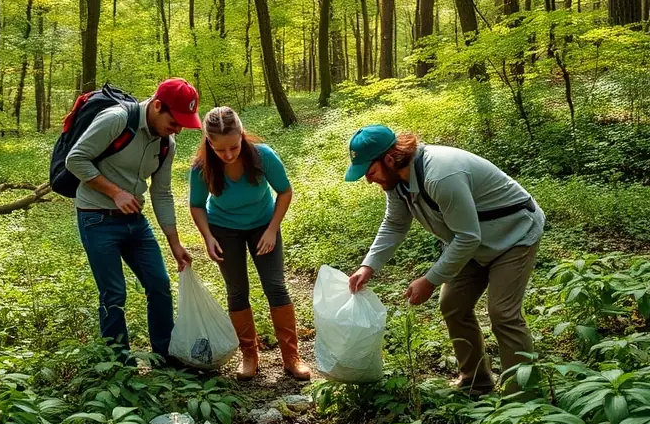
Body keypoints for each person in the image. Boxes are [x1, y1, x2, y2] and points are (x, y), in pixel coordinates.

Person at [346, 125, 545, 395]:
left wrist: (429, 280)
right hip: (471, 241)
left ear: (390, 159)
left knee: (502, 313)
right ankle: (476, 381)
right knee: (453, 303)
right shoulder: (397, 183)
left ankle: (523, 395)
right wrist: (368, 266)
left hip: (514, 235)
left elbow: (467, 237)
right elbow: (395, 224)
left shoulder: (441, 174)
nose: (369, 181)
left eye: (370, 173)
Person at [65, 78, 201, 365]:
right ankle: (119, 363)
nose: (177, 130)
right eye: (174, 122)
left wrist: (175, 243)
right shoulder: (116, 120)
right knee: (114, 293)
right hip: (96, 218)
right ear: (157, 105)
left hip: (135, 221)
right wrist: (115, 192)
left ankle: (165, 355)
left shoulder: (167, 143)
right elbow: (75, 159)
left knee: (159, 284)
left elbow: (161, 192)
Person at [189, 106, 311, 380]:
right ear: (209, 143)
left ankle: (291, 356)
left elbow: (284, 191)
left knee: (275, 286)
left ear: (242, 135)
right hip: (224, 228)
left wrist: (271, 230)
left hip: (263, 226)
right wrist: (207, 237)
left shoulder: (263, 155)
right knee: (237, 290)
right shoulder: (201, 167)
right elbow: (196, 206)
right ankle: (249, 355)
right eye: (221, 150)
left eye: (234, 147)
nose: (229, 155)